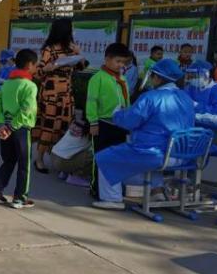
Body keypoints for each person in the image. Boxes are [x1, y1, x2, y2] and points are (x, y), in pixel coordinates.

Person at [93, 59, 195, 210]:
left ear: (158, 78)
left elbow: (130, 121)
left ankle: (112, 199)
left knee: (105, 157)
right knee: (146, 160)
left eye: (153, 76)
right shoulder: (185, 97)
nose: (151, 80)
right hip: (181, 154)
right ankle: (157, 191)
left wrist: (117, 114)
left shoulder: (151, 97)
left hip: (155, 153)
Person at [0, 49, 39, 209]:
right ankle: (20, 198)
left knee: (9, 160)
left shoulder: (7, 83)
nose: (36, 68)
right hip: (20, 128)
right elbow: (27, 109)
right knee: (24, 163)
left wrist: (2, 125)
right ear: (30, 65)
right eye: (36, 65)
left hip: (5, 128)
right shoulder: (30, 86)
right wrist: (11, 126)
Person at [32, 18, 85, 173]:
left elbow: (81, 67)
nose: (73, 31)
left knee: (65, 126)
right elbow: (38, 72)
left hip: (66, 94)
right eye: (71, 28)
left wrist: (79, 54)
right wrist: (49, 68)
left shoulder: (72, 48)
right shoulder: (49, 49)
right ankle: (39, 159)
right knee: (48, 126)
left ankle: (59, 160)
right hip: (51, 94)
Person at [86, 42, 132, 199]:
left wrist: (129, 119)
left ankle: (113, 189)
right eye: (117, 61)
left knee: (116, 157)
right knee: (99, 156)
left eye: (123, 62)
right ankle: (95, 187)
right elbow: (91, 101)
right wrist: (92, 122)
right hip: (102, 123)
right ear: (107, 59)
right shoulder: (97, 78)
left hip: (119, 124)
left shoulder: (123, 79)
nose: (120, 65)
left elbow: (127, 101)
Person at [50, 115, 92, 188]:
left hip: (53, 156)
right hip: (62, 162)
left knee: (74, 149)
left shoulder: (75, 123)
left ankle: (64, 172)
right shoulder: (91, 130)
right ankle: (77, 176)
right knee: (95, 154)